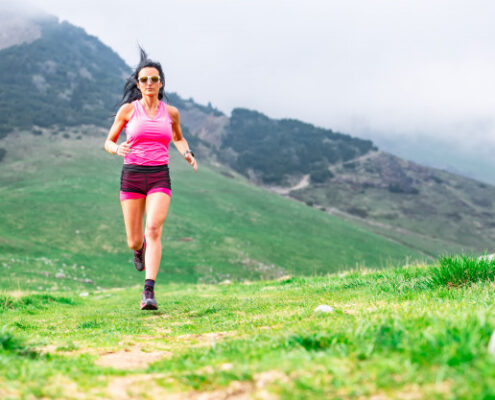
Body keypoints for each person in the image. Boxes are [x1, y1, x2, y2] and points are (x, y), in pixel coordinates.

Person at [104, 48, 197, 310]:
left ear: (161, 83)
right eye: (144, 80)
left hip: (159, 176)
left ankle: (148, 291)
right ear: (138, 84)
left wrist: (187, 153)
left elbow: (178, 138)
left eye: (154, 79)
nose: (149, 84)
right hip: (132, 176)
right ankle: (138, 249)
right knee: (135, 240)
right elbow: (109, 141)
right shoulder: (128, 110)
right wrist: (116, 149)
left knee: (154, 229)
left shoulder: (171, 113)